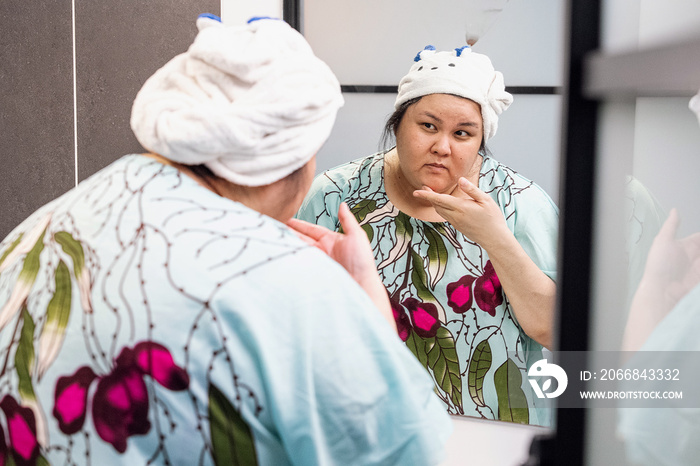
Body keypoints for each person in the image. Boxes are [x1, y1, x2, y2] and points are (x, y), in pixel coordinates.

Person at [0, 15, 452, 465]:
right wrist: (367, 307)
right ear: (294, 159)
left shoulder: (40, 229)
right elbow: (410, 450)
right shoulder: (291, 285)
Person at [297, 45, 559, 426]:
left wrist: (495, 239)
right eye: (428, 126)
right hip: (366, 428)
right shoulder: (335, 194)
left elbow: (556, 331)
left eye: (463, 133)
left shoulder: (521, 203)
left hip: (499, 433)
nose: (442, 147)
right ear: (397, 123)